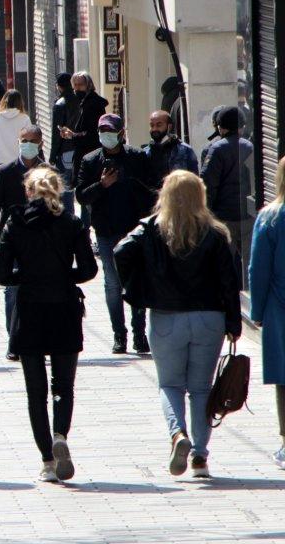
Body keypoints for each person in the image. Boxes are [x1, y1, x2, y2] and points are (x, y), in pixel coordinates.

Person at [114, 171, 242, 479]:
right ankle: (200, 457)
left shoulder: (153, 229)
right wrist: (233, 321)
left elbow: (120, 252)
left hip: (167, 316)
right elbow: (229, 282)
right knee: (201, 389)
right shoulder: (215, 233)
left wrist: (139, 289)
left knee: (170, 385)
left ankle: (177, 435)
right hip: (208, 318)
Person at [0, 167, 97, 482]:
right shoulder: (72, 223)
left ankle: (47, 461)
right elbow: (89, 269)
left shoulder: (15, 223)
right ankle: (60, 434)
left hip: (30, 310)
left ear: (28, 191)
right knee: (63, 386)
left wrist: (24, 277)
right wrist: (65, 276)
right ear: (58, 191)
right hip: (64, 307)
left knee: (35, 390)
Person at [76, 113, 155, 355]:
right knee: (112, 284)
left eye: (110, 131)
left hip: (133, 230)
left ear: (121, 133)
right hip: (106, 231)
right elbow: (81, 195)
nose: (105, 136)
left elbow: (151, 191)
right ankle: (119, 335)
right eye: (102, 131)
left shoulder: (136, 158)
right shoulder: (90, 161)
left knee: (135, 281)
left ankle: (139, 334)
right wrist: (102, 185)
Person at [0, 125, 46, 355]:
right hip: (12, 240)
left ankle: (35, 336)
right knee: (12, 290)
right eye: (23, 139)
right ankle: (15, 340)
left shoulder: (47, 172)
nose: (27, 144)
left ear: (40, 143)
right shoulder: (6, 171)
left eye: (32, 140)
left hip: (41, 241)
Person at [248, 156, 285, 471]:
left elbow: (258, 269)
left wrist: (256, 310)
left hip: (278, 306)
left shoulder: (270, 218)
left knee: (284, 377)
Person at [200, 105, 255, 275]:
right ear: (242, 126)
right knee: (249, 264)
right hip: (248, 215)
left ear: (220, 127)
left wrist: (206, 214)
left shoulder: (216, 149)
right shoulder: (250, 146)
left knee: (224, 265)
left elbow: (208, 184)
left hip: (223, 218)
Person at [59, 71, 108, 174]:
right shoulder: (82, 103)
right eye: (75, 85)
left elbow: (92, 132)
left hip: (91, 154)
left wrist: (73, 135)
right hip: (83, 154)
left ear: (88, 85)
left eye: (80, 85)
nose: (77, 88)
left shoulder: (93, 104)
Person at [49, 73, 80, 216]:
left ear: (59, 86)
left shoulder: (60, 104)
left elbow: (57, 134)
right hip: (80, 149)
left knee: (66, 189)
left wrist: (53, 154)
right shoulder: (80, 101)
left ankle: (68, 220)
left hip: (65, 151)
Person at [0, 89, 32, 170]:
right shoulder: (25, 118)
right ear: (20, 102)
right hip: (19, 162)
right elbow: (29, 141)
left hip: (0, 162)